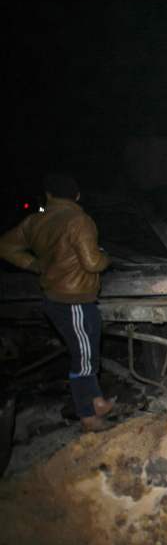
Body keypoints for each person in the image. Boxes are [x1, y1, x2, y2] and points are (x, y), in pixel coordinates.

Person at [0, 174, 114, 431]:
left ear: (49, 196)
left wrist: (33, 264)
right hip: (73, 299)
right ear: (76, 196)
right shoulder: (78, 220)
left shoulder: (36, 219)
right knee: (83, 359)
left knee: (86, 352)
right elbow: (92, 263)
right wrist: (107, 258)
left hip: (56, 296)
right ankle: (88, 417)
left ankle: (96, 401)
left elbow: (5, 246)